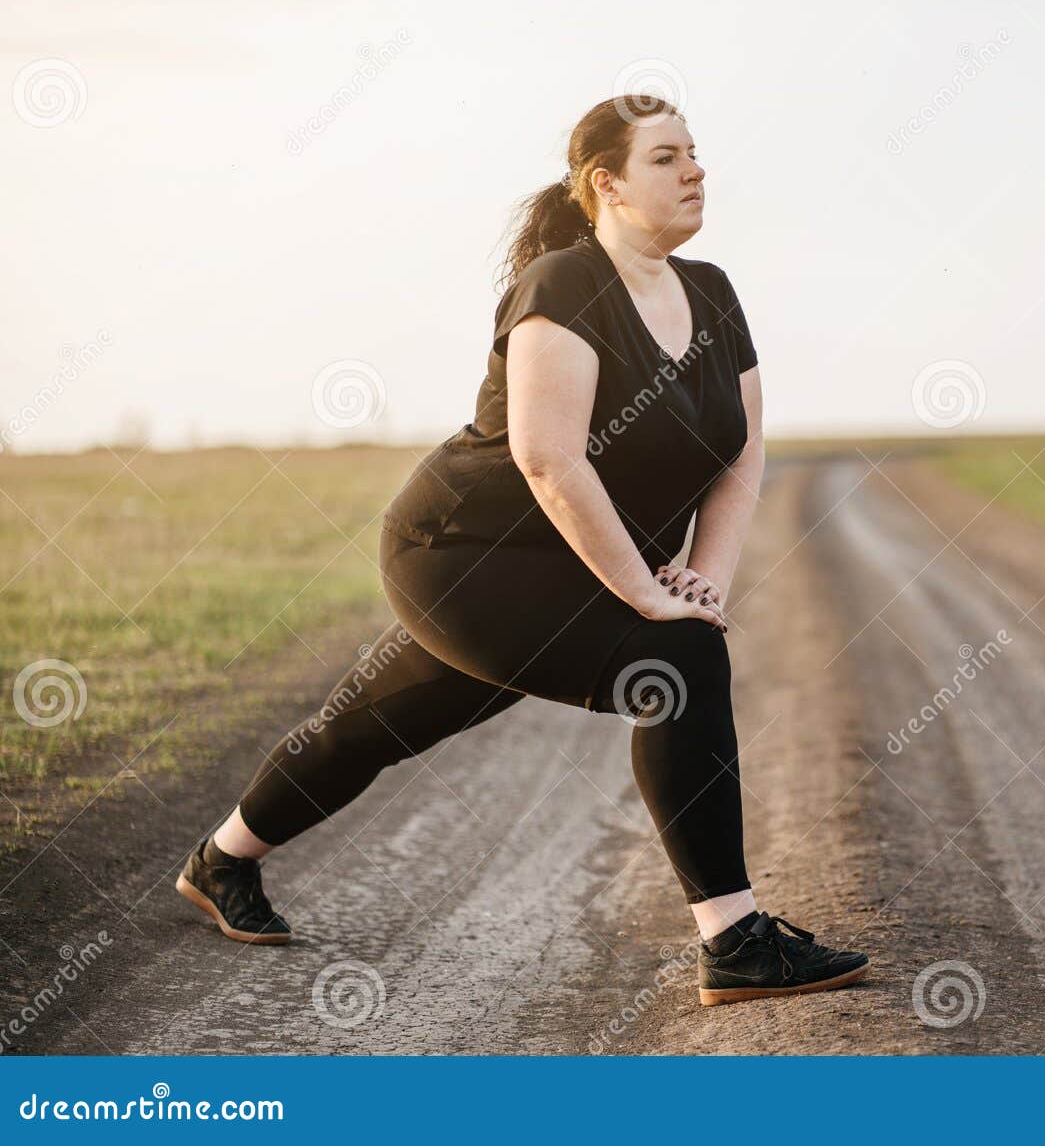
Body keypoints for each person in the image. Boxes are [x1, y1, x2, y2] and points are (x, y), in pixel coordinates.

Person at [174, 94, 868, 1007]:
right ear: (605, 184)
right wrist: (653, 598)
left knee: (383, 719)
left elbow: (742, 452)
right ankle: (734, 940)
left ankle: (220, 860)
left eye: (696, 152)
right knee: (681, 657)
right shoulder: (565, 286)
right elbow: (548, 458)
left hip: (569, 565)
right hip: (465, 554)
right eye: (667, 158)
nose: (696, 169)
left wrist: (704, 578)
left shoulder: (714, 293)